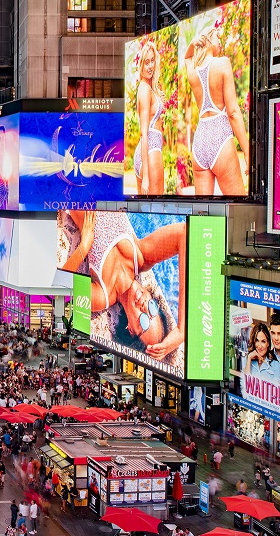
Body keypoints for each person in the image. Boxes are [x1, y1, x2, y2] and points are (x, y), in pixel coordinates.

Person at [60, 210, 186, 360]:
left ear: (131, 329)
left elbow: (61, 284)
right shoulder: (141, 257)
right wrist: (181, 330)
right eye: (152, 308)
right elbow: (184, 234)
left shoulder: (102, 295)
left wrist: (85, 245)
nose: (144, 306)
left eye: (144, 321)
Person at [183, 22, 250, 195]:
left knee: (202, 213)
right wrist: (247, 151)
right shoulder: (222, 63)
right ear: (208, 40)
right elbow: (233, 113)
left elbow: (187, 58)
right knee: (238, 207)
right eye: (217, 37)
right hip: (220, 137)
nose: (220, 41)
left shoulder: (193, 73)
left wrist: (192, 44)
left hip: (199, 142)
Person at [133, 40, 166, 195]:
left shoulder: (146, 88)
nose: (150, 66)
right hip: (150, 151)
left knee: (144, 209)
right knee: (159, 206)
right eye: (147, 62)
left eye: (152, 61)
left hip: (144, 154)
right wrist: (146, 176)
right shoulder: (145, 90)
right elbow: (144, 133)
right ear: (141, 65)